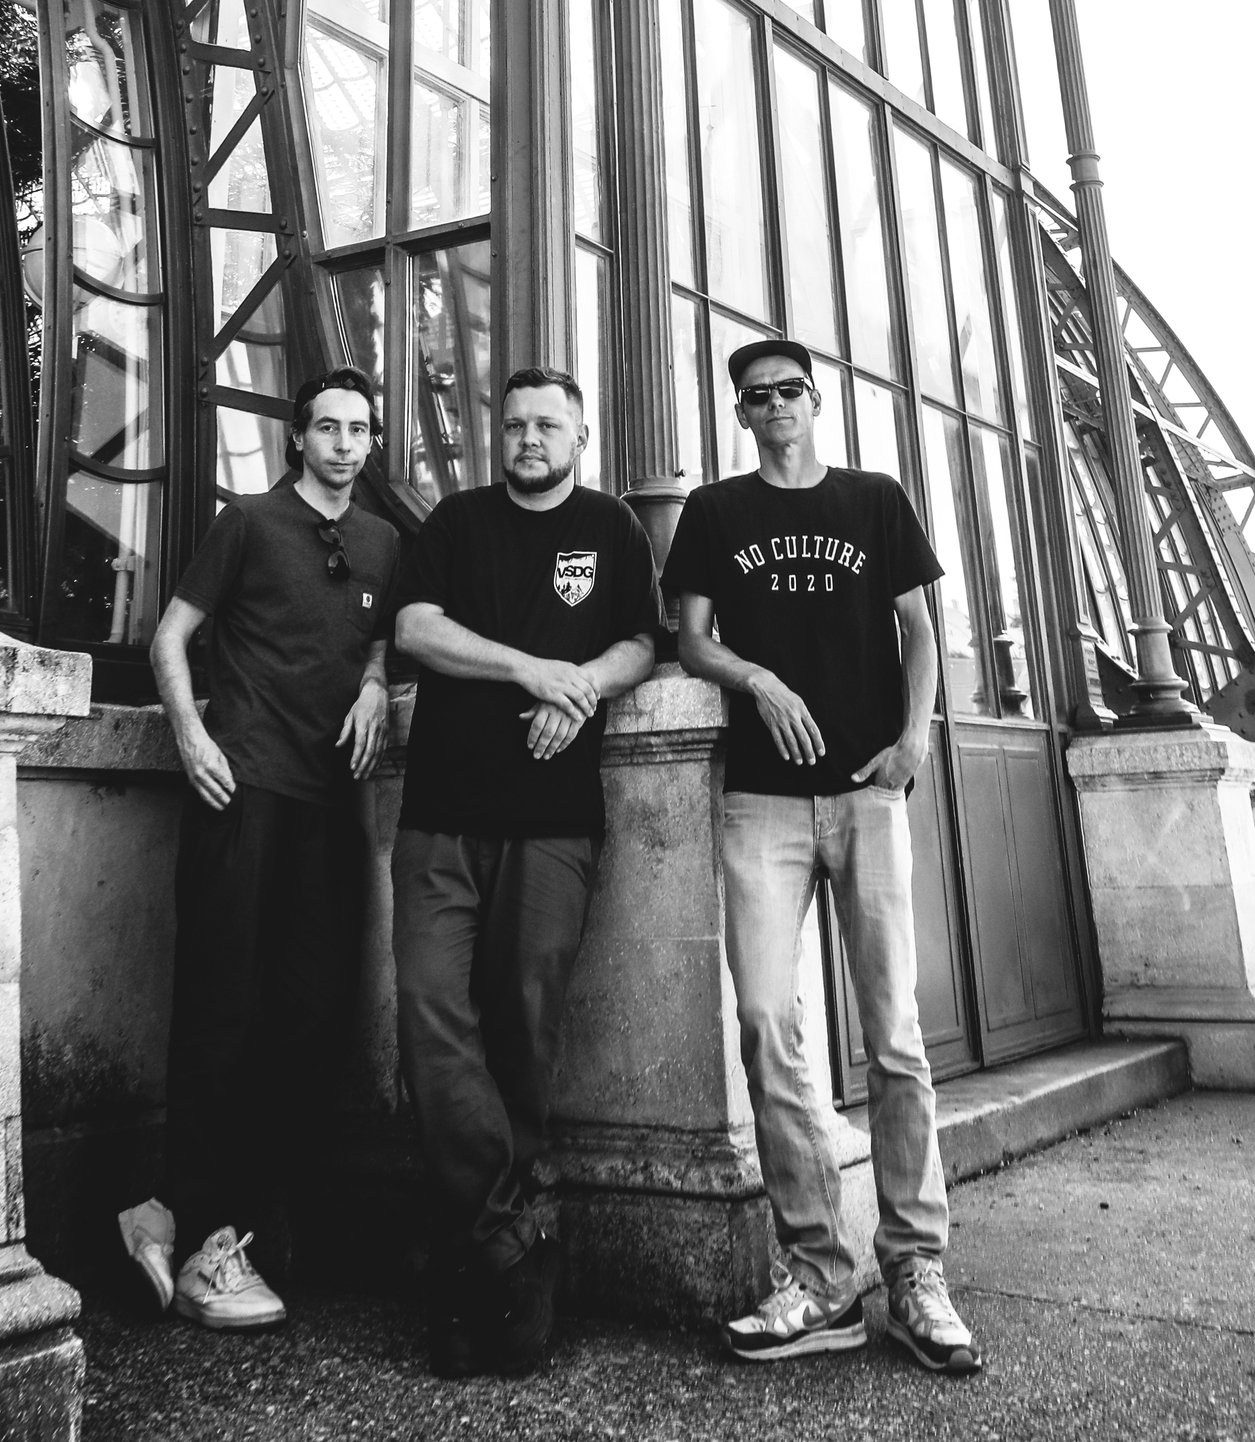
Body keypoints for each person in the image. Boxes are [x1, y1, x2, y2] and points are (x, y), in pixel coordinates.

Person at [661, 338, 983, 1375]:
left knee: (894, 1035)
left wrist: (916, 738)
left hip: (866, 792)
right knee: (767, 1024)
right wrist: (758, 678)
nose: (775, 407)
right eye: (756, 397)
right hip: (761, 800)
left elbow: (921, 627)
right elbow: (692, 639)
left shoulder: (873, 499)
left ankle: (917, 1269)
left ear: (815, 399)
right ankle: (820, 1276)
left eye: (789, 390)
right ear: (741, 413)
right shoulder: (715, 511)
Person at [116, 367, 401, 1331]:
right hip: (241, 791)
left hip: (329, 801)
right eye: (328, 428)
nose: (345, 444)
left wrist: (374, 684)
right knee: (222, 1009)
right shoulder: (247, 520)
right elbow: (170, 637)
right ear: (297, 437)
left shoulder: (382, 542)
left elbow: (375, 639)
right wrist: (191, 735)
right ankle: (204, 1239)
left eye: (359, 429)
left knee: (312, 1014)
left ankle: (180, 1214)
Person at [392, 366, 662, 1377]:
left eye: (548, 424)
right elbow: (413, 628)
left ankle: (478, 1271)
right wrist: (528, 667)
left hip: (551, 820)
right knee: (429, 1011)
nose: (529, 438)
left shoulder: (612, 527)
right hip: (441, 815)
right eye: (513, 424)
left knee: (522, 1022)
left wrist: (581, 685)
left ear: (580, 436)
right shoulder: (456, 521)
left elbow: (642, 641)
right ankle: (516, 1237)